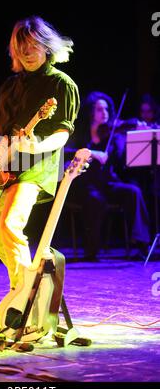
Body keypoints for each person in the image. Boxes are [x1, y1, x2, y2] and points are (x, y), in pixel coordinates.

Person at [0, 15, 80, 289]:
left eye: (34, 45)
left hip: (34, 168)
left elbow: (62, 133)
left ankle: (22, 295)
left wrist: (37, 145)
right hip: (0, 170)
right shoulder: (8, 86)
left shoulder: (61, 84)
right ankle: (27, 285)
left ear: (46, 46)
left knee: (10, 224)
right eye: (22, 48)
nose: (28, 53)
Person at [66, 91, 151, 261]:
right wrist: (93, 153)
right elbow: (67, 152)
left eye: (106, 109)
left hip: (109, 183)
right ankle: (91, 251)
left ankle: (141, 246)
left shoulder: (114, 134)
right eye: (99, 109)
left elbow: (120, 161)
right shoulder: (81, 133)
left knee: (133, 192)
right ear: (91, 112)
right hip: (86, 184)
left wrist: (128, 135)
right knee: (94, 199)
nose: (104, 113)